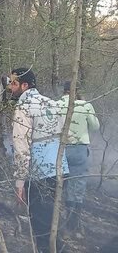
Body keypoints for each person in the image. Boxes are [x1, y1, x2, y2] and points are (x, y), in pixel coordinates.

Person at [8, 68, 68, 252]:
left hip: (40, 172)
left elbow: (21, 148)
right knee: (54, 221)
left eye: (13, 83)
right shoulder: (51, 103)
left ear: (24, 85)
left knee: (41, 225)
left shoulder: (23, 108)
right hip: (60, 168)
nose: (9, 87)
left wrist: (19, 183)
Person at [58, 81, 100, 235]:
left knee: (61, 184)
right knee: (78, 185)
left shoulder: (56, 105)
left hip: (60, 149)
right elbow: (95, 126)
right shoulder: (84, 105)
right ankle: (73, 224)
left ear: (64, 91)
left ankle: (57, 221)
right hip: (79, 150)